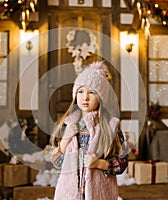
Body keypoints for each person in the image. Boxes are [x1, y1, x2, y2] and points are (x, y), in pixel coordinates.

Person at [50, 61, 128, 200]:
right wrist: (66, 139)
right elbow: (57, 162)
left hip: (99, 193)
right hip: (69, 194)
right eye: (80, 91)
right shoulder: (69, 124)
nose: (85, 97)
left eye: (91, 92)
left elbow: (122, 163)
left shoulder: (110, 126)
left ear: (101, 97)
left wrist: (99, 164)